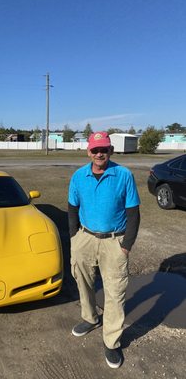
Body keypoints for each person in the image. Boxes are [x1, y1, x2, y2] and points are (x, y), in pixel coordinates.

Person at [68, 131, 140, 369]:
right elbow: (72, 208)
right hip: (85, 238)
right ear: (88, 151)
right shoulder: (79, 176)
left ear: (111, 150)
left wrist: (126, 246)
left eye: (104, 149)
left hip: (114, 241)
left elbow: (133, 214)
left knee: (115, 291)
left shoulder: (123, 175)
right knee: (83, 281)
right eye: (95, 149)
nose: (100, 153)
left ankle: (112, 342)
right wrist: (74, 238)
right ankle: (90, 318)